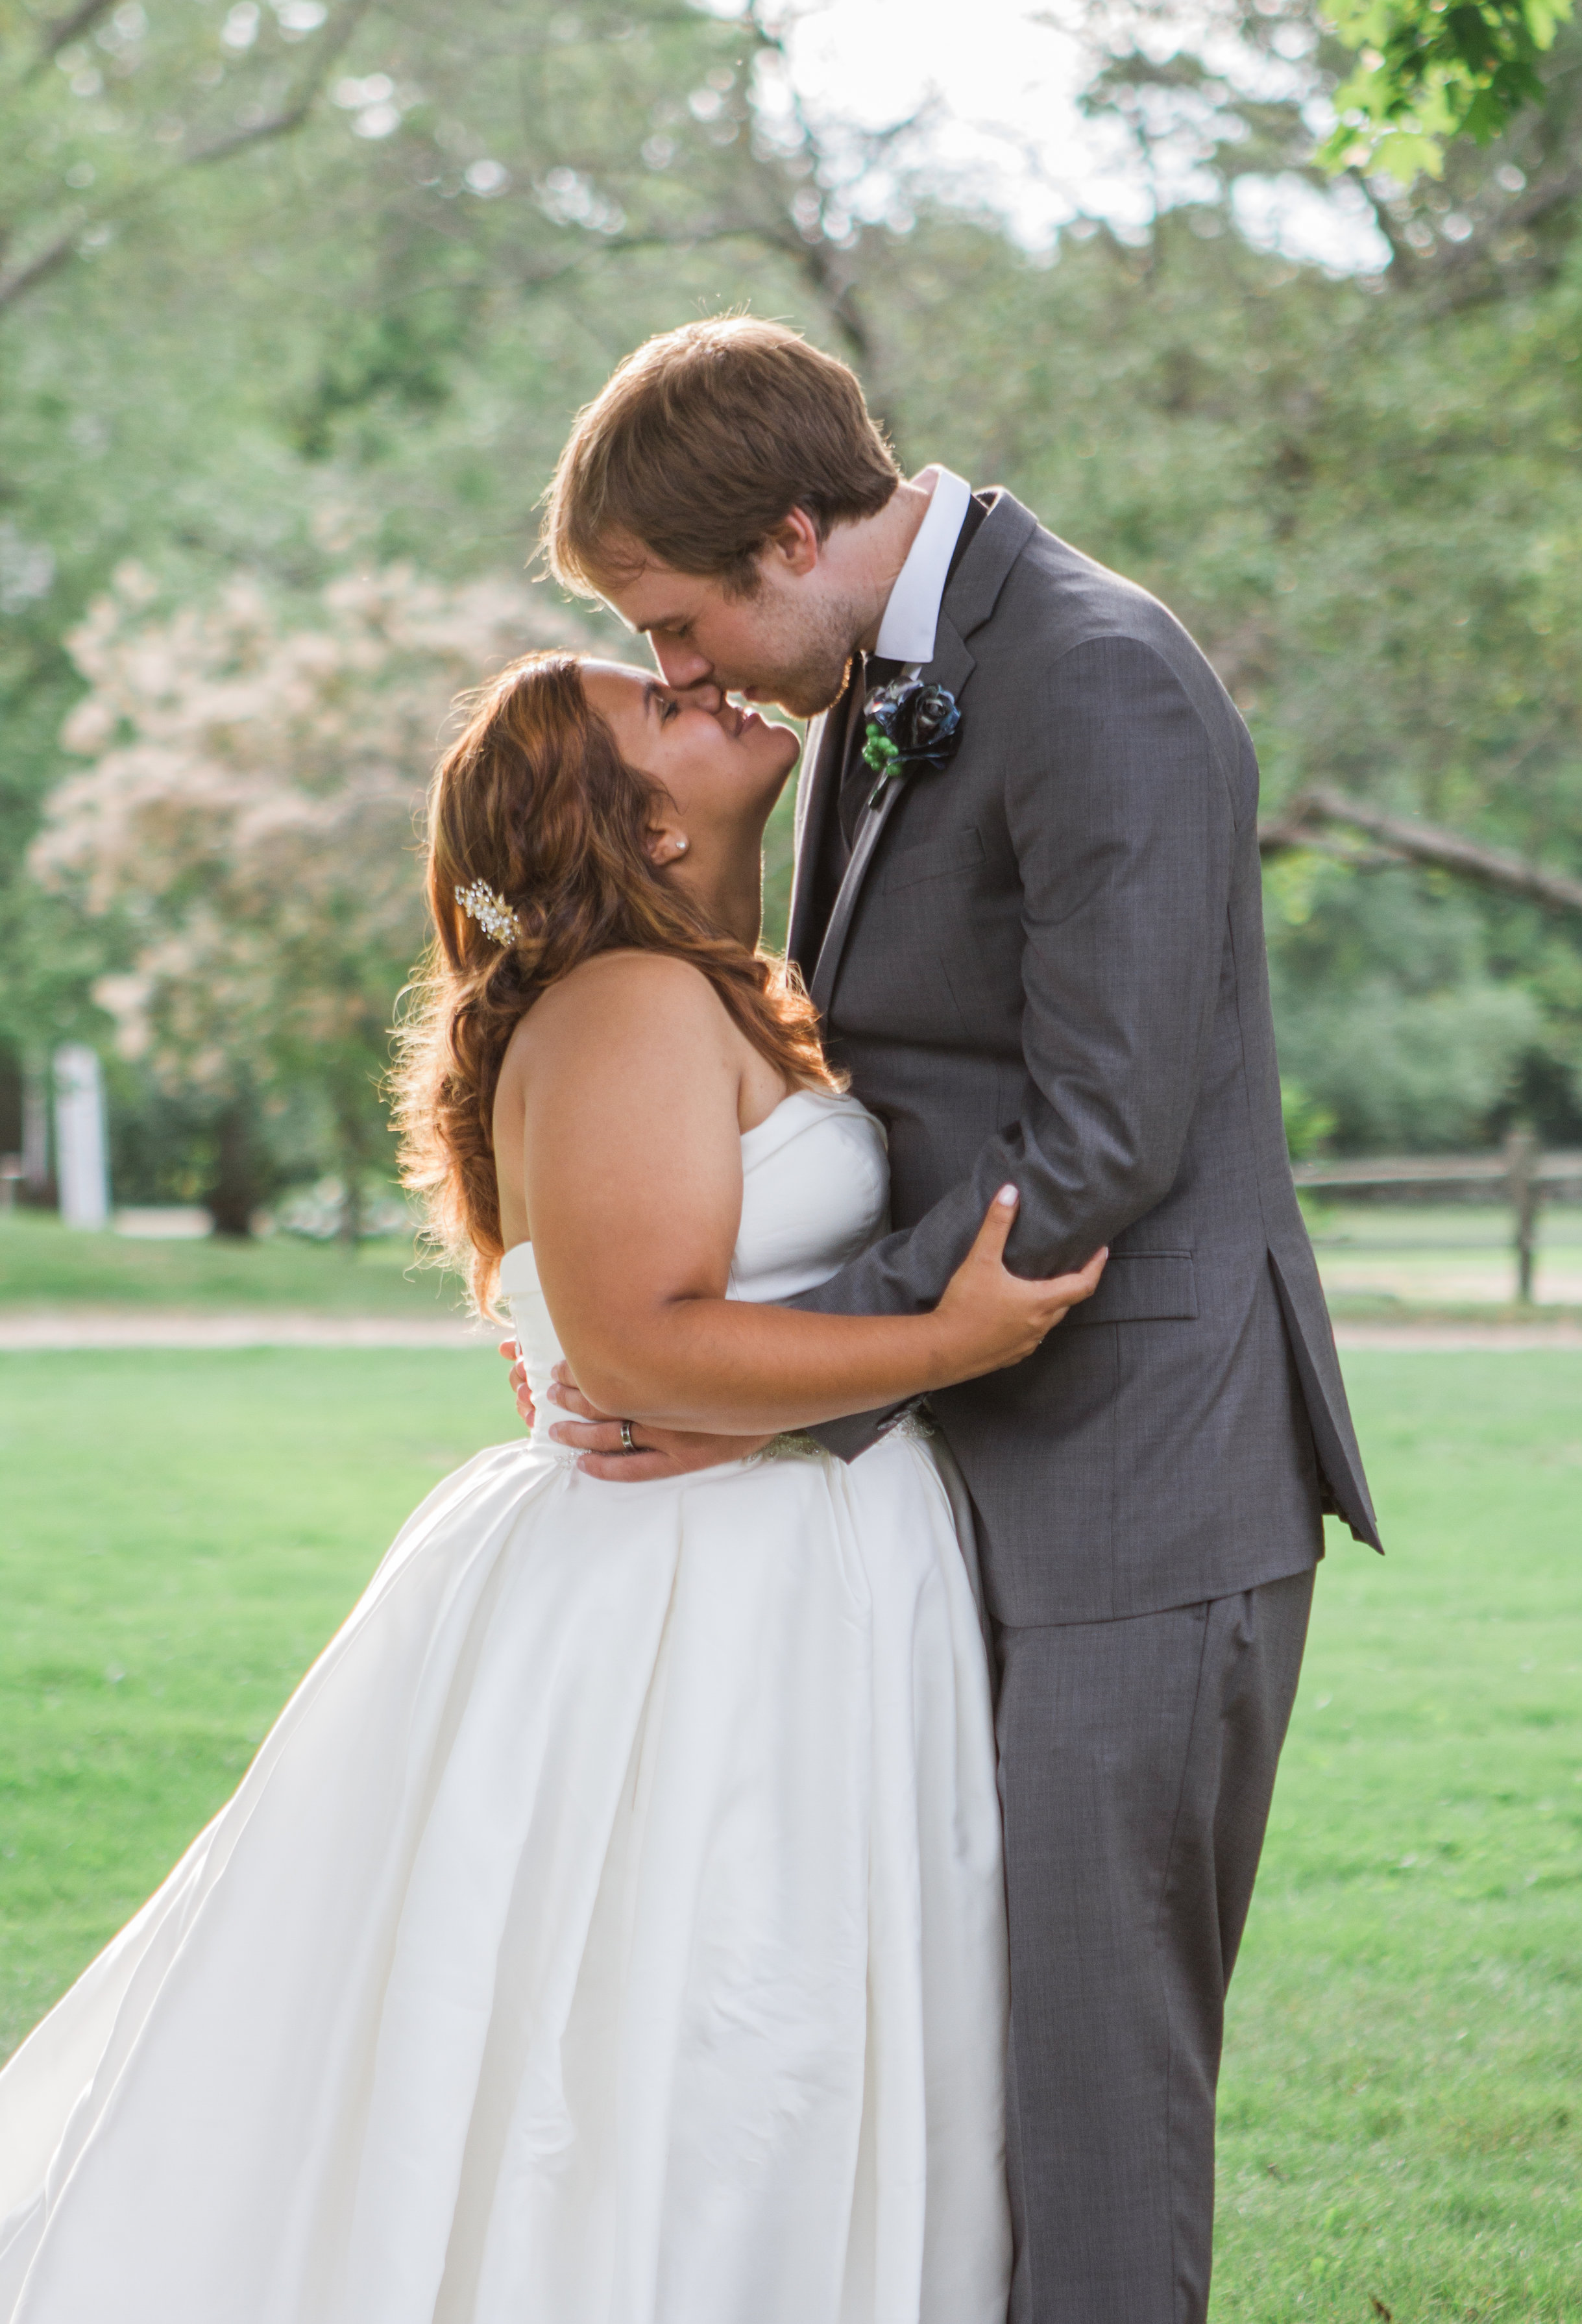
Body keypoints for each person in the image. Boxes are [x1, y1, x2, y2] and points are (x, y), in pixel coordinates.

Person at [0, 652, 1109, 2324]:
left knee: (776, 2010)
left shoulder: (716, 992)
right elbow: (641, 1347)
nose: (713, 684)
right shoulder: (628, 1008)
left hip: (782, 1565)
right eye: (661, 708)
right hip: (685, 1598)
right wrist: (950, 1342)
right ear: (639, 829)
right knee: (690, 2019)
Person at [512, 316, 1383, 2324]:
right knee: (956, 2058)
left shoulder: (1091, 681)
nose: (675, 672)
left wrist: (776, 1395)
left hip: (1139, 1490)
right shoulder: (887, 683)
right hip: (967, 1480)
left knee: (1093, 2073)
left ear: (794, 536)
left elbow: (1090, 1149)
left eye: (674, 620)